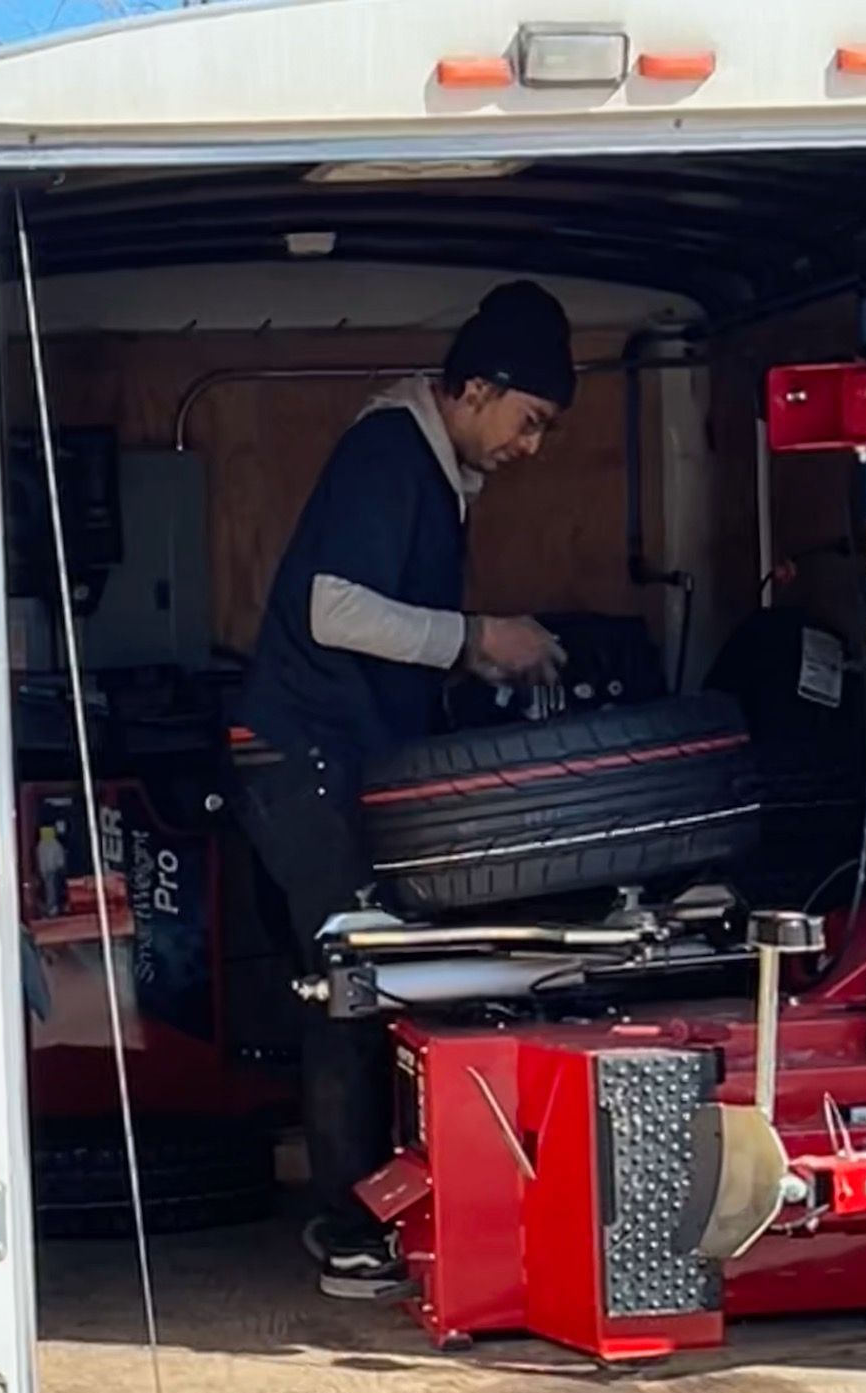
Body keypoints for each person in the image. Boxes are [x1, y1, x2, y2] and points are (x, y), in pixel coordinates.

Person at [238, 280, 577, 1299]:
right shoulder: (390, 456)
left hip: (331, 756)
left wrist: (467, 661)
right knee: (354, 978)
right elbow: (332, 607)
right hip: (302, 756)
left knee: (362, 973)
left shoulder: (427, 469)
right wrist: (475, 636)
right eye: (530, 421)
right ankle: (348, 1229)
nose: (532, 446)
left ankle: (378, 1205)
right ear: (475, 389)